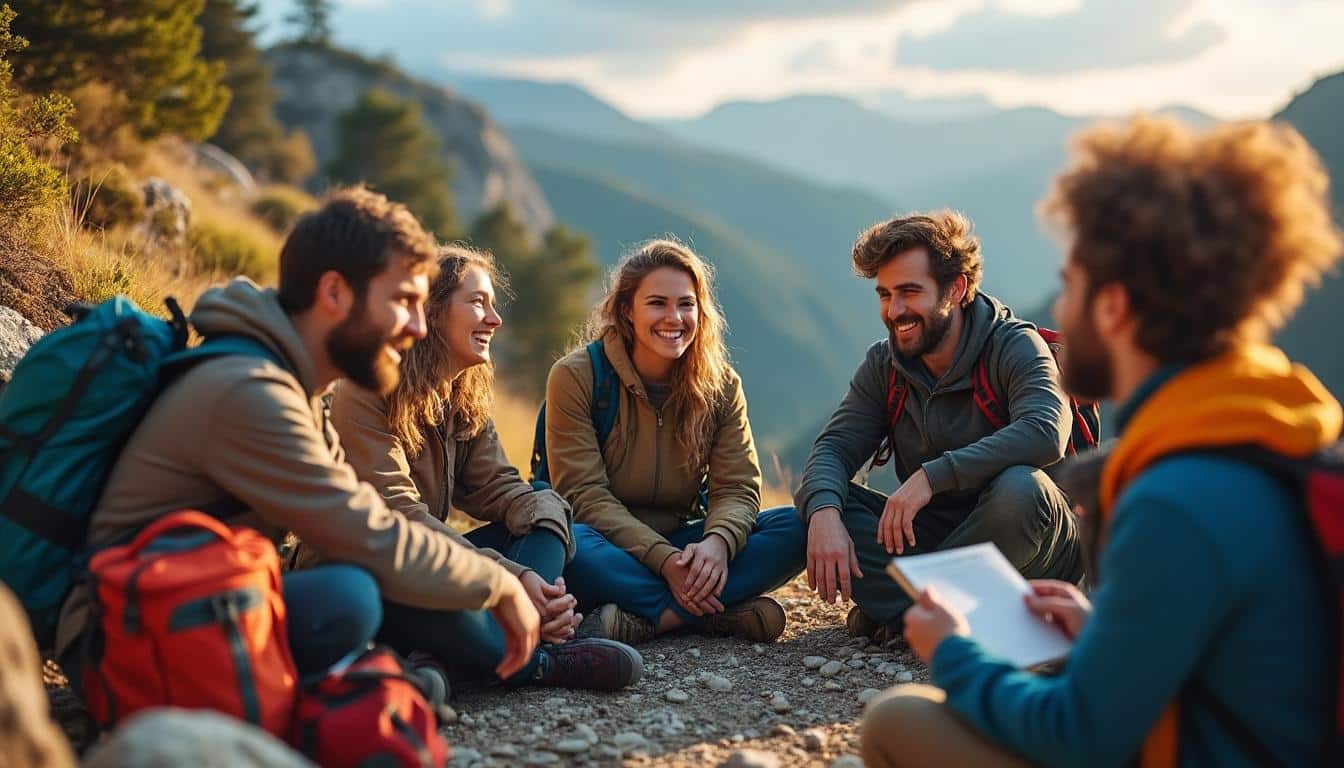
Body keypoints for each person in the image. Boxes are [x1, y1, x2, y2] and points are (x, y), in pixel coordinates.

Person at [861, 116, 1342, 767]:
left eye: (1070, 287)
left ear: (1112, 307)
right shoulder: (1265, 437)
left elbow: (1076, 736)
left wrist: (953, 652)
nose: (1060, 311)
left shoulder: (1176, 498)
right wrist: (1100, 633)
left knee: (896, 718)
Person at [54, 186, 542, 696]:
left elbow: (361, 527)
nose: (418, 328)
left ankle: (382, 676)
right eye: (403, 302)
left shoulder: (295, 388)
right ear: (334, 293)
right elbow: (366, 533)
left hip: (192, 596)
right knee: (350, 594)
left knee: (359, 588)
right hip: (119, 630)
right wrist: (499, 583)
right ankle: (509, 666)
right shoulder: (250, 392)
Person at [327, 245, 642, 689]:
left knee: (543, 505)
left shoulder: (461, 394)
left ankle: (459, 655)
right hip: (367, 573)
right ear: (431, 310)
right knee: (442, 601)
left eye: (493, 305)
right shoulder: (365, 392)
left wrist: (532, 583)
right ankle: (539, 663)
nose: (494, 320)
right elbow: (398, 517)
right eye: (478, 302)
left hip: (429, 565)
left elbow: (499, 487)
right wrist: (512, 577)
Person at [796, 210, 1083, 641]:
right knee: (817, 507)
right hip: (934, 536)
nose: (895, 310)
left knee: (1021, 490)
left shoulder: (1016, 346)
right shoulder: (884, 364)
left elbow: (1045, 431)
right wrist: (823, 513)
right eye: (885, 294)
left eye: (910, 292)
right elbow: (834, 448)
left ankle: (907, 614)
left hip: (1030, 546)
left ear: (957, 288)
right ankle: (941, 614)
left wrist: (933, 476)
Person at [547, 239, 807, 645]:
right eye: (657, 303)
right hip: (607, 544)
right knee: (570, 543)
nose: (675, 317)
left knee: (799, 525)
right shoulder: (577, 376)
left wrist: (718, 543)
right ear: (626, 311)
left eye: (687, 304)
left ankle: (653, 618)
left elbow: (737, 487)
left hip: (686, 544)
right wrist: (664, 562)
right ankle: (709, 614)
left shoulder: (721, 385)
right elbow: (583, 497)